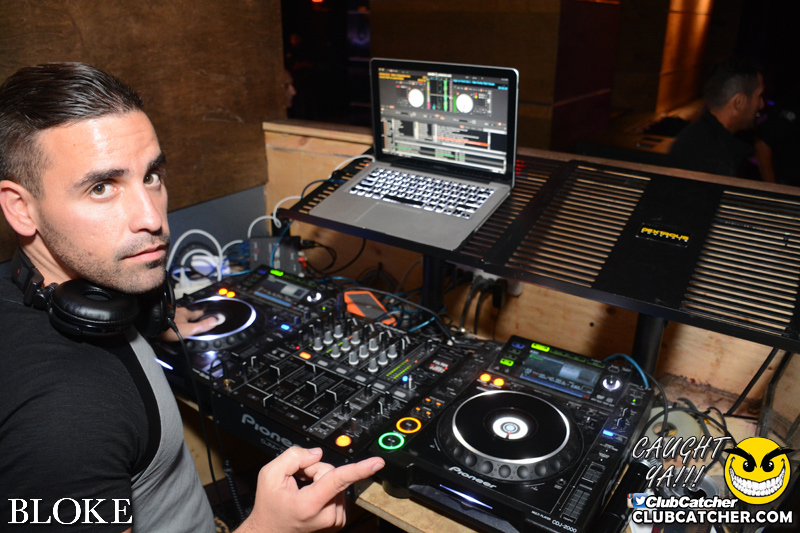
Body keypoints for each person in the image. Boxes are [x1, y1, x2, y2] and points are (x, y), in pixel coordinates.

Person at [0, 62, 383, 531]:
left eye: (151, 176)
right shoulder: (65, 424)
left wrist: (151, 316)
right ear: (20, 208)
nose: (151, 217)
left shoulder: (50, 295)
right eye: (101, 187)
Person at [668, 58, 765, 178]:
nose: (761, 104)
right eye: (759, 96)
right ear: (739, 102)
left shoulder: (699, 136)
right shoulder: (715, 160)